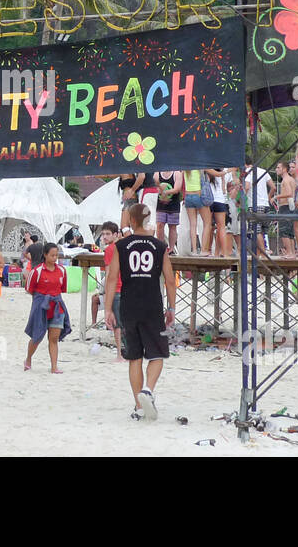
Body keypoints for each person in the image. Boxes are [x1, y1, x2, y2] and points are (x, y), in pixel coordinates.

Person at [105, 203, 176, 421]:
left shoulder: (121, 245)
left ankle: (138, 405)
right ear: (148, 220)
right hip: (152, 303)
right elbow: (170, 280)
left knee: (134, 357)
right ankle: (148, 390)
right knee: (158, 354)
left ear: (132, 221)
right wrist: (171, 306)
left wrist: (107, 308)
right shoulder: (159, 245)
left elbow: (112, 277)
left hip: (129, 303)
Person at [23, 243, 70, 374]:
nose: (55, 258)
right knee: (37, 336)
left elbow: (62, 289)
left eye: (57, 255)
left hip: (56, 305)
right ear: (45, 255)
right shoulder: (36, 271)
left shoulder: (62, 270)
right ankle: (28, 359)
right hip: (41, 305)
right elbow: (30, 289)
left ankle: (54, 366)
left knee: (54, 338)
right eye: (52, 255)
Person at [89, 221, 126, 362]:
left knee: (117, 323)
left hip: (117, 288)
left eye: (107, 234)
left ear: (115, 234)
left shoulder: (111, 249)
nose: (104, 236)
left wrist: (106, 294)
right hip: (127, 288)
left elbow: (110, 274)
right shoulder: (124, 246)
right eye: (103, 234)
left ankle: (119, 354)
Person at [182, 169, 213, 255]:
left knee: (193, 224)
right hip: (198, 195)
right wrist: (226, 172)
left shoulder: (185, 169)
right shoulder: (200, 167)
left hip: (188, 196)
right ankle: (203, 250)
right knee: (207, 223)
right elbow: (216, 173)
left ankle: (194, 250)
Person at [202, 168, 231, 257]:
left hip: (208, 199)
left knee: (208, 226)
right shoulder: (222, 172)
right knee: (221, 227)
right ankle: (224, 252)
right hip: (220, 200)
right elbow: (223, 189)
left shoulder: (207, 170)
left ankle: (206, 250)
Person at [154, 169, 182, 251]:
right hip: (161, 204)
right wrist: (160, 189)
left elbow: (177, 189)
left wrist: (164, 192)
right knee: (159, 225)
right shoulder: (157, 173)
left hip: (173, 204)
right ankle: (161, 247)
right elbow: (155, 184)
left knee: (172, 226)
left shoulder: (177, 173)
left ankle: (172, 248)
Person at [275, 161, 297, 256]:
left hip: (285, 206)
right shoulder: (292, 179)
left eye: (278, 167)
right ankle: (292, 252)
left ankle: (289, 252)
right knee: (290, 232)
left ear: (284, 169)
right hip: (290, 207)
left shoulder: (286, 180)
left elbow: (289, 193)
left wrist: (276, 197)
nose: (276, 169)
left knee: (283, 231)